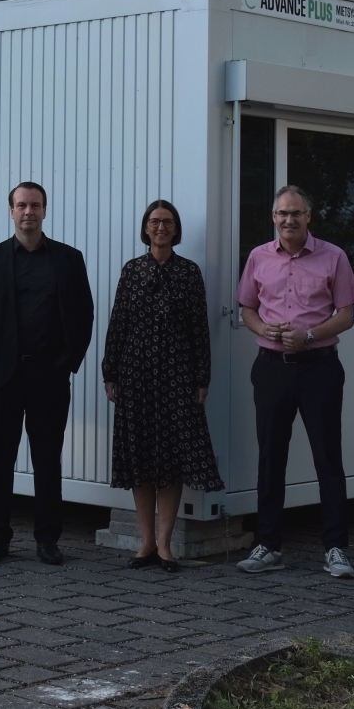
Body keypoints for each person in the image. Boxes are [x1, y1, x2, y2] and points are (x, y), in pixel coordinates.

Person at [0, 182, 95, 565]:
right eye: (21, 205)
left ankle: (47, 539)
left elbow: (83, 315)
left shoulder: (69, 259)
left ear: (45, 210)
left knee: (48, 460)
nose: (28, 212)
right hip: (1, 376)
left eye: (35, 205)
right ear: (11, 211)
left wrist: (67, 362)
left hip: (49, 375)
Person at [232, 185, 354, 578]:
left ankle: (336, 548)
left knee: (327, 458)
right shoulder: (258, 257)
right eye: (282, 213)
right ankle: (268, 545)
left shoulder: (333, 257)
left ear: (309, 217)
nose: (289, 220)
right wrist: (265, 329)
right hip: (271, 367)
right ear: (274, 217)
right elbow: (247, 308)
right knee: (271, 458)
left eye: (296, 213)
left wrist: (310, 335)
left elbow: (347, 313)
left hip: (318, 367)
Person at [101, 200, 223, 572]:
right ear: (145, 227)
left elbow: (200, 330)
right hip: (135, 375)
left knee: (170, 460)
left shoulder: (189, 273)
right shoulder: (132, 270)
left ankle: (167, 546)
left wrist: (202, 378)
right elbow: (118, 322)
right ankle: (146, 543)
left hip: (177, 376)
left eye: (167, 222)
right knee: (141, 458)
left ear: (176, 228)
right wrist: (110, 372)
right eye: (154, 222)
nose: (160, 228)